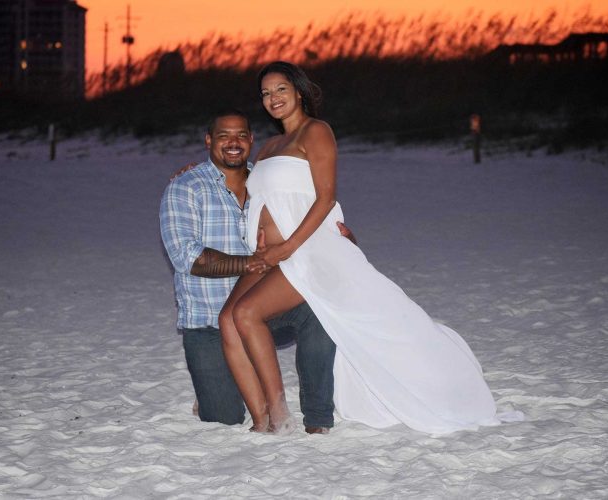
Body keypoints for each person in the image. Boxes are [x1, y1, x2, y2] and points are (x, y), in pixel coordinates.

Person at [220, 61, 505, 435]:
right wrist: (190, 173)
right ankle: (260, 416)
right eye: (266, 93)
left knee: (246, 314)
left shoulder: (316, 132)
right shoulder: (270, 146)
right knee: (227, 319)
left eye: (280, 90)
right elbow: (250, 186)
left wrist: (286, 248)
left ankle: (278, 415)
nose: (272, 98)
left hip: (305, 252)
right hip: (270, 256)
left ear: (299, 92)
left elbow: (324, 199)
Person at [159, 109, 342, 434]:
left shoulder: (267, 179)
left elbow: (308, 210)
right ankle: (213, 387)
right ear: (208, 141)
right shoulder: (185, 188)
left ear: (251, 140)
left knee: (317, 310)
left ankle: (317, 418)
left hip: (263, 313)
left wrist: (343, 235)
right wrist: (251, 263)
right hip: (208, 324)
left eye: (241, 135)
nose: (233, 143)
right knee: (224, 417)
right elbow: (189, 258)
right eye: (224, 135)